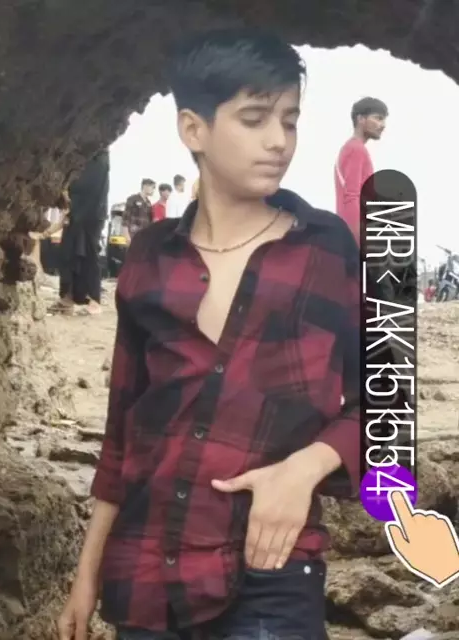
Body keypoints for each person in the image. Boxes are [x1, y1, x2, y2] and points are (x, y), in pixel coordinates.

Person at [58, 27, 359, 640]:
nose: (279, 140)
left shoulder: (330, 249)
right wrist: (86, 574)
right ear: (194, 129)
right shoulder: (148, 256)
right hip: (143, 574)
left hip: (271, 565)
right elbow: (122, 434)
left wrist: (304, 469)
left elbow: (389, 407)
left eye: (290, 120)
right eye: (254, 119)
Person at [50, 149, 109, 316]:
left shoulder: (99, 158)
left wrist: (68, 191)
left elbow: (90, 187)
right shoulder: (82, 155)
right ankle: (67, 297)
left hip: (92, 213)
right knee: (68, 252)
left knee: (89, 254)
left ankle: (94, 300)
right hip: (75, 212)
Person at [334, 97, 388, 244]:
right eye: (378, 118)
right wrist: (358, 242)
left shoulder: (352, 148)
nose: (383, 125)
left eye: (384, 120)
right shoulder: (355, 149)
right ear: (360, 119)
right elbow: (352, 196)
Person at [122, 178, 156, 243]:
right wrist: (126, 235)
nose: (153, 190)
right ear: (145, 186)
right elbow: (125, 218)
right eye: (153, 187)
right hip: (133, 234)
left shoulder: (148, 203)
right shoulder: (132, 199)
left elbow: (150, 221)